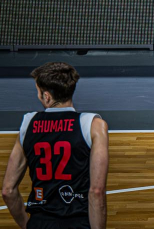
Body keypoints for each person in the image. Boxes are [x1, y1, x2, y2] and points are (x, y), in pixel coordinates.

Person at [1, 62, 109, 229]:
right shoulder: (93, 125)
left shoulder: (28, 123)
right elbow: (96, 192)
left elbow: (8, 191)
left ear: (47, 97)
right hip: (79, 222)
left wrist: (27, 225)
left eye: (38, 92)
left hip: (40, 221)